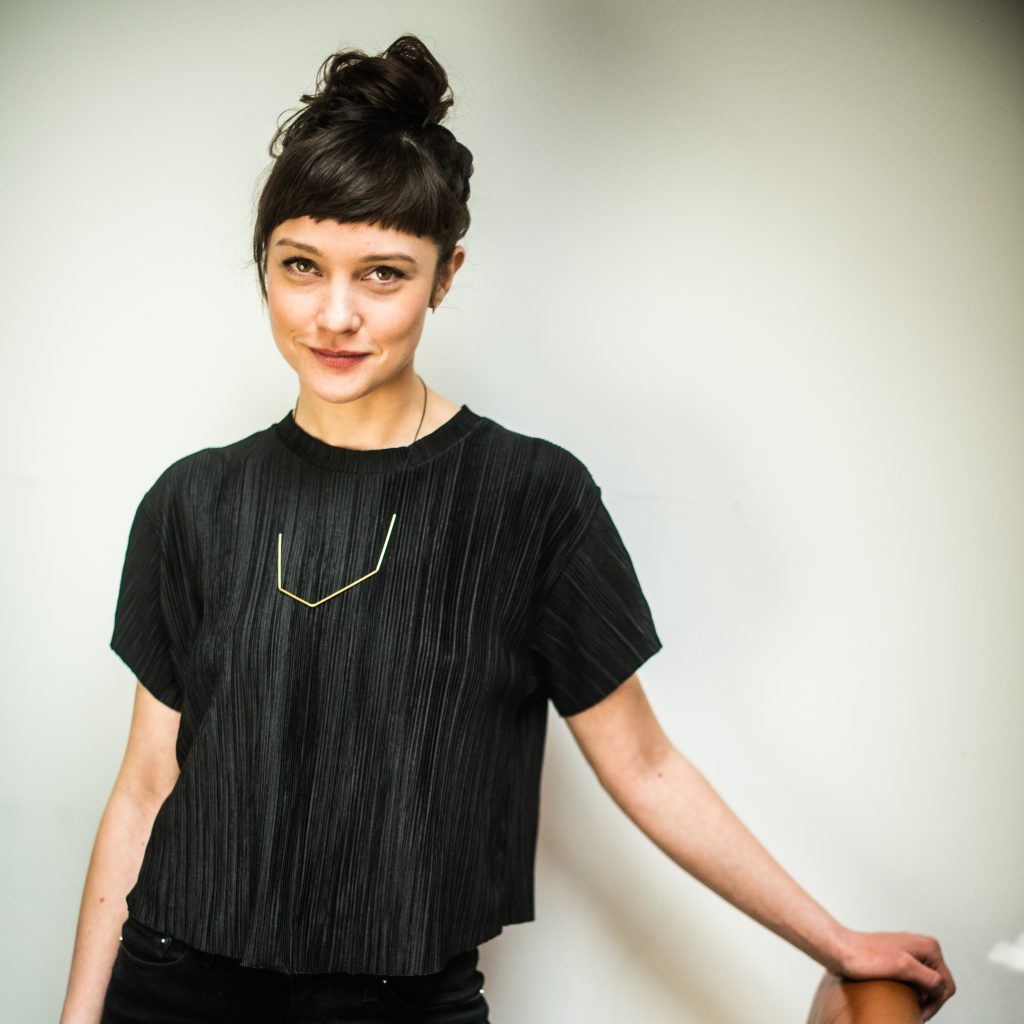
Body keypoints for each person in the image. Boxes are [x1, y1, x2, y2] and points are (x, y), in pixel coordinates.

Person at [59, 34, 956, 1024]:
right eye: (301, 266)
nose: (335, 314)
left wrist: (834, 942)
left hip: (404, 1003)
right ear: (262, 264)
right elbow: (146, 784)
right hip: (173, 986)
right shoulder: (194, 501)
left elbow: (645, 765)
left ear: (445, 276)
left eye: (384, 275)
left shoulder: (532, 499)